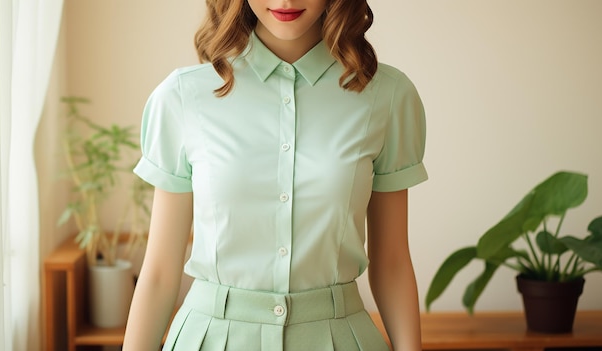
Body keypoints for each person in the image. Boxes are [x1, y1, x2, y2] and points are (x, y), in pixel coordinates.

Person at [123, 0, 427, 349]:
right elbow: (160, 271)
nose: (285, 0)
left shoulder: (387, 95)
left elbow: (391, 263)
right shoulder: (182, 97)